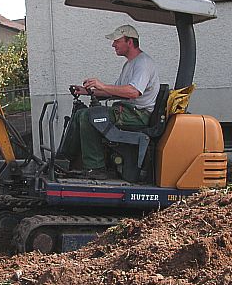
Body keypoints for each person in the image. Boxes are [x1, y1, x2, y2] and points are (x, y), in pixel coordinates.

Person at [60, 24, 159, 176]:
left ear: (129, 42)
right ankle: (64, 161)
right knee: (81, 113)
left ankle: (96, 168)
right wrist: (88, 91)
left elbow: (133, 92)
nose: (113, 44)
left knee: (89, 117)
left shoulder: (143, 63)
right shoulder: (130, 64)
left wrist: (102, 84)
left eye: (117, 41)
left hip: (137, 115)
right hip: (128, 111)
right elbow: (116, 91)